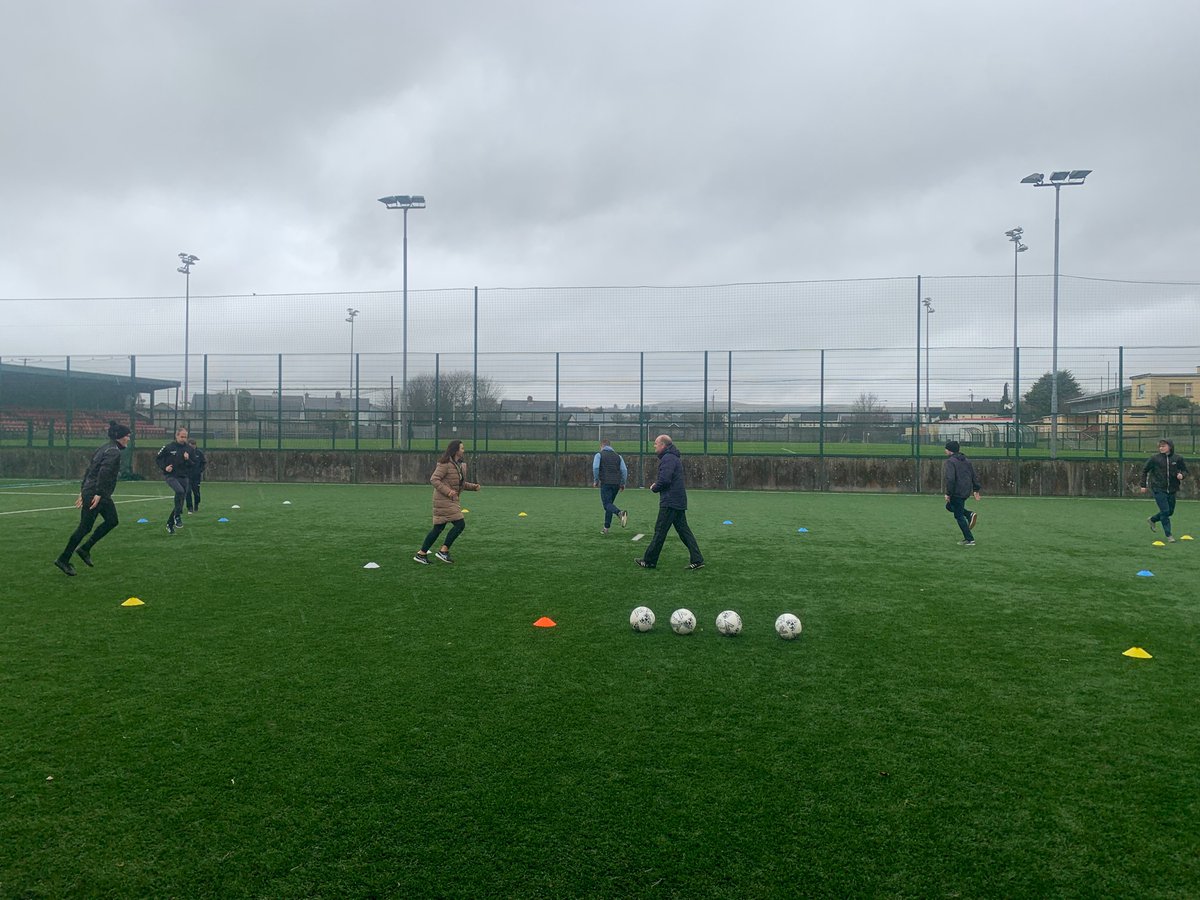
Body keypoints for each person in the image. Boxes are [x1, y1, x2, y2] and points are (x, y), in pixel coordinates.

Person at [54, 420, 132, 576]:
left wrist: (83, 491)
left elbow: (89, 471)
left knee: (111, 521)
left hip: (94, 492)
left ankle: (84, 549)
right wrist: (98, 493)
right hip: (97, 493)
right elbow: (104, 472)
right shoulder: (113, 451)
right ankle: (64, 558)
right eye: (127, 436)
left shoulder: (103, 448)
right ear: (120, 437)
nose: (129, 439)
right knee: (85, 527)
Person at [636, 434, 704, 570]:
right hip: (678, 500)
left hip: (670, 501)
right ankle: (697, 560)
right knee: (684, 532)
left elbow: (665, 480)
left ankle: (649, 561)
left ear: (663, 445)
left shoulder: (667, 458)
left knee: (660, 531)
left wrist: (654, 487)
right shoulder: (673, 457)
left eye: (656, 443)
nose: (654, 446)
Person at [414, 439, 481, 565]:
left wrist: (473, 487)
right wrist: (448, 491)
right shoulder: (445, 464)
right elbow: (434, 479)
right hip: (443, 500)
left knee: (438, 528)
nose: (464, 450)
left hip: (450, 500)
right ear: (456, 450)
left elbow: (460, 484)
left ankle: (422, 554)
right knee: (460, 524)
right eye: (462, 448)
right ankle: (443, 551)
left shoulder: (459, 465)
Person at [1142, 438, 1188, 542]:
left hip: (1172, 489)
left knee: (1170, 511)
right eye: (1160, 446)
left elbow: (1185, 470)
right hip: (1158, 488)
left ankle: (1152, 519)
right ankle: (1169, 535)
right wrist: (1143, 485)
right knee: (1165, 511)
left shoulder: (1178, 458)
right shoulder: (1154, 459)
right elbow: (1145, 471)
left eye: (1163, 446)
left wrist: (1182, 475)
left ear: (1170, 447)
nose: (1161, 448)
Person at [156, 426, 194, 534]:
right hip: (171, 476)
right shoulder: (168, 447)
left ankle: (170, 523)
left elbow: (193, 464)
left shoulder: (189, 449)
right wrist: (165, 467)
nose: (183, 439)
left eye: (185, 437)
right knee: (180, 491)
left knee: (180, 501)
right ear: (176, 436)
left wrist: (188, 459)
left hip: (184, 477)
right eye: (182, 437)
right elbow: (158, 459)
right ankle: (177, 516)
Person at [943, 440, 981, 546]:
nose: (945, 450)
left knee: (958, 515)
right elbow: (973, 475)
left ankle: (969, 539)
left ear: (950, 450)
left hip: (956, 491)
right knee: (949, 506)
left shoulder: (950, 461)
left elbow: (950, 479)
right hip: (965, 490)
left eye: (946, 449)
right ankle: (969, 514)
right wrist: (976, 489)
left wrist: (948, 493)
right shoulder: (966, 460)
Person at [592, 439, 629, 534]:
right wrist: (622, 483)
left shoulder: (599, 455)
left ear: (601, 446)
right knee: (609, 504)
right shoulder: (618, 456)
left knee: (607, 504)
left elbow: (595, 467)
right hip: (616, 484)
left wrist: (596, 480)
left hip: (606, 483)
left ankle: (619, 513)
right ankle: (606, 528)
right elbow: (624, 470)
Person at [186, 438, 207, 514]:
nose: (192, 447)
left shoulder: (199, 453)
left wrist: (199, 471)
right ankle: (190, 508)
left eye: (193, 445)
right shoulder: (185, 453)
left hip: (196, 477)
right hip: (187, 476)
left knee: (196, 493)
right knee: (188, 492)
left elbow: (203, 463)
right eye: (190, 446)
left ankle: (196, 505)